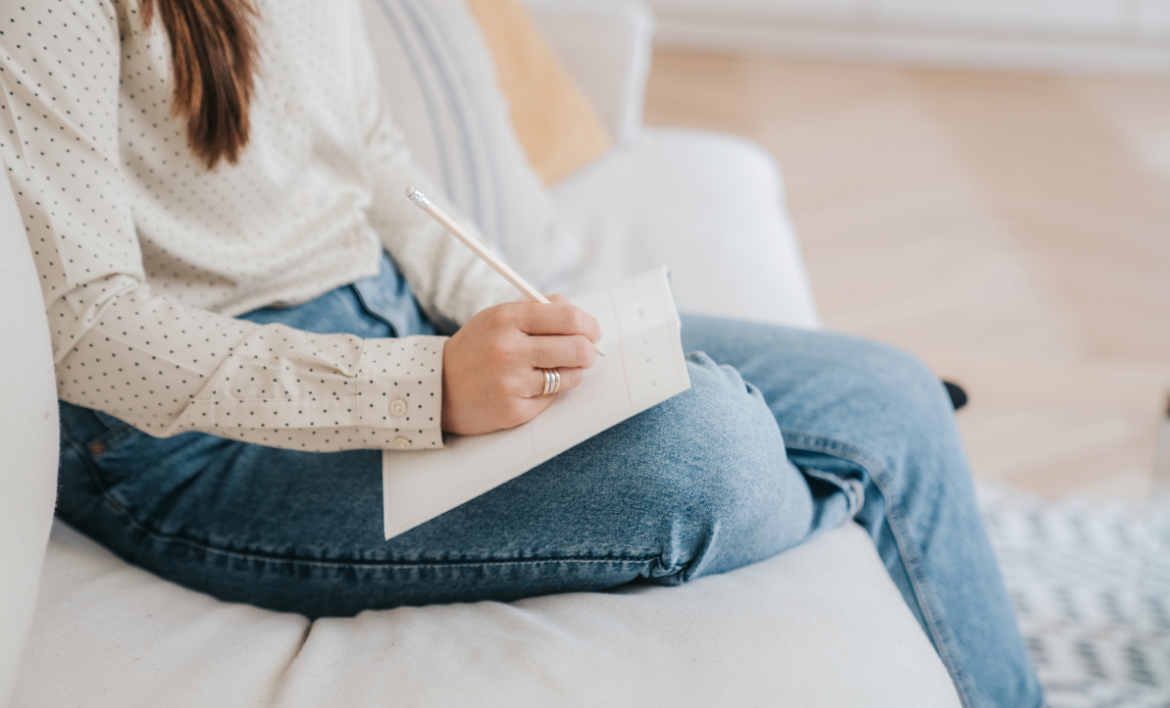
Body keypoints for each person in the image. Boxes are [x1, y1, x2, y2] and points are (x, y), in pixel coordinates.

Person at [0, 1, 1043, 705]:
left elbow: (375, 162)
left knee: (894, 397)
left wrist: (521, 321)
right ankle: (815, 490)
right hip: (191, 449)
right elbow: (90, 335)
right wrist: (422, 388)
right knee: (707, 447)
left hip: (393, 315)